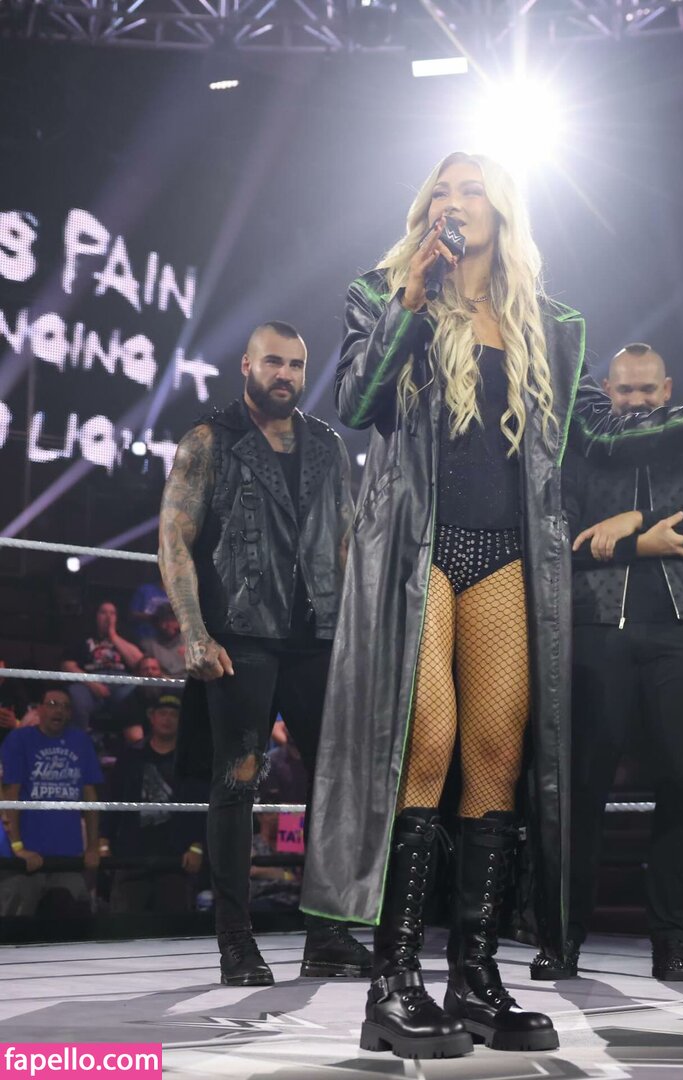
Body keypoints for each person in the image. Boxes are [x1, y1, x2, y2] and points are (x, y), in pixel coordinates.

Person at [298, 151, 683, 1059]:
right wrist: (412, 299)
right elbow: (358, 401)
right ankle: (395, 982)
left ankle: (476, 977)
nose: (455, 202)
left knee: (497, 756)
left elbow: (608, 438)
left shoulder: (550, 323)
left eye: (471, 188)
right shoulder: (380, 293)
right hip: (419, 547)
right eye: (442, 190)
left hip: (506, 553)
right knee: (428, 744)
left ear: (502, 207)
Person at [158, 319, 370, 987]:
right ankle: (235, 942)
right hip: (240, 636)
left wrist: (357, 637)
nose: (285, 374)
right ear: (247, 366)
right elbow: (174, 539)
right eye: (273, 362)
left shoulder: (328, 445)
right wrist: (194, 631)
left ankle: (329, 935)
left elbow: (345, 544)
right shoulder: (209, 439)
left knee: (334, 784)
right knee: (237, 780)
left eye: (296, 365)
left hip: (318, 636)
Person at [531, 345, 683, 984]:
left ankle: (673, 940)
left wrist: (633, 522)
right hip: (598, 629)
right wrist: (641, 543)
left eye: (648, 390)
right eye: (625, 391)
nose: (637, 402)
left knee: (681, 781)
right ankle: (562, 939)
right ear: (606, 391)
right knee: (582, 788)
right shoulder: (582, 454)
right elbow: (558, 539)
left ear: (668, 390)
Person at [0, 686, 103, 917]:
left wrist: (93, 847)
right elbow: (10, 794)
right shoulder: (20, 739)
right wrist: (18, 848)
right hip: (25, 859)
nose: (59, 711)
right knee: (15, 921)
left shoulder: (80, 741)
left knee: (72, 915)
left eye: (65, 706)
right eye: (53, 704)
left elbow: (90, 796)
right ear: (39, 709)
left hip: (68, 857)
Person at [100, 693, 204, 914]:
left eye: (174, 714)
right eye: (163, 713)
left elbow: (202, 805)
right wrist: (103, 841)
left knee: (173, 928)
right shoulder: (131, 756)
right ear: (152, 717)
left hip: (176, 858)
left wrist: (197, 845)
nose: (167, 719)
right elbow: (113, 798)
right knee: (124, 925)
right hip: (131, 855)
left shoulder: (191, 759)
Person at [62, 601, 143, 733]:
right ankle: (79, 738)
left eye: (112, 613)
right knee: (75, 695)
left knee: (136, 691)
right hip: (90, 680)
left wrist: (113, 636)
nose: (108, 617)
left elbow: (140, 662)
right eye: (103, 612)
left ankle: (134, 740)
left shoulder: (126, 636)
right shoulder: (83, 637)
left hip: (121, 681)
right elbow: (67, 665)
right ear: (96, 617)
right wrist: (92, 684)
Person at [141, 604, 186, 678]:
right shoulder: (148, 645)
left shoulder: (190, 643)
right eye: (164, 620)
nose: (169, 625)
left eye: (172, 620)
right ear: (156, 623)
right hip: (161, 682)